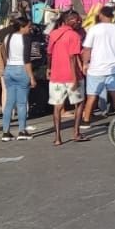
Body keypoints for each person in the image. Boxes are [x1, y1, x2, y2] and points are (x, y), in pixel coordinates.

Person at [80, 5, 115, 128]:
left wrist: (85, 64)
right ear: (112, 16)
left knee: (92, 95)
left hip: (96, 68)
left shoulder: (94, 29)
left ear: (101, 15)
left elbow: (87, 49)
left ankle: (86, 120)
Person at [46, 10, 86, 144]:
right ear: (69, 20)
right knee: (79, 104)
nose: (79, 22)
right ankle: (76, 132)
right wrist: (75, 78)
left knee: (57, 106)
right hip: (71, 75)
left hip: (56, 75)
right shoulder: (74, 35)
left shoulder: (53, 34)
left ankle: (57, 137)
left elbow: (49, 53)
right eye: (76, 20)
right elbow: (73, 57)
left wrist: (49, 68)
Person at [0, 14, 35, 141]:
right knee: (22, 103)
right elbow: (27, 60)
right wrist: (32, 77)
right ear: (22, 27)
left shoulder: (8, 37)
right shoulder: (26, 38)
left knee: (9, 103)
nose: (30, 28)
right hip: (21, 69)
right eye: (28, 26)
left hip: (9, 69)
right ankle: (22, 131)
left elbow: (5, 53)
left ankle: (5, 132)